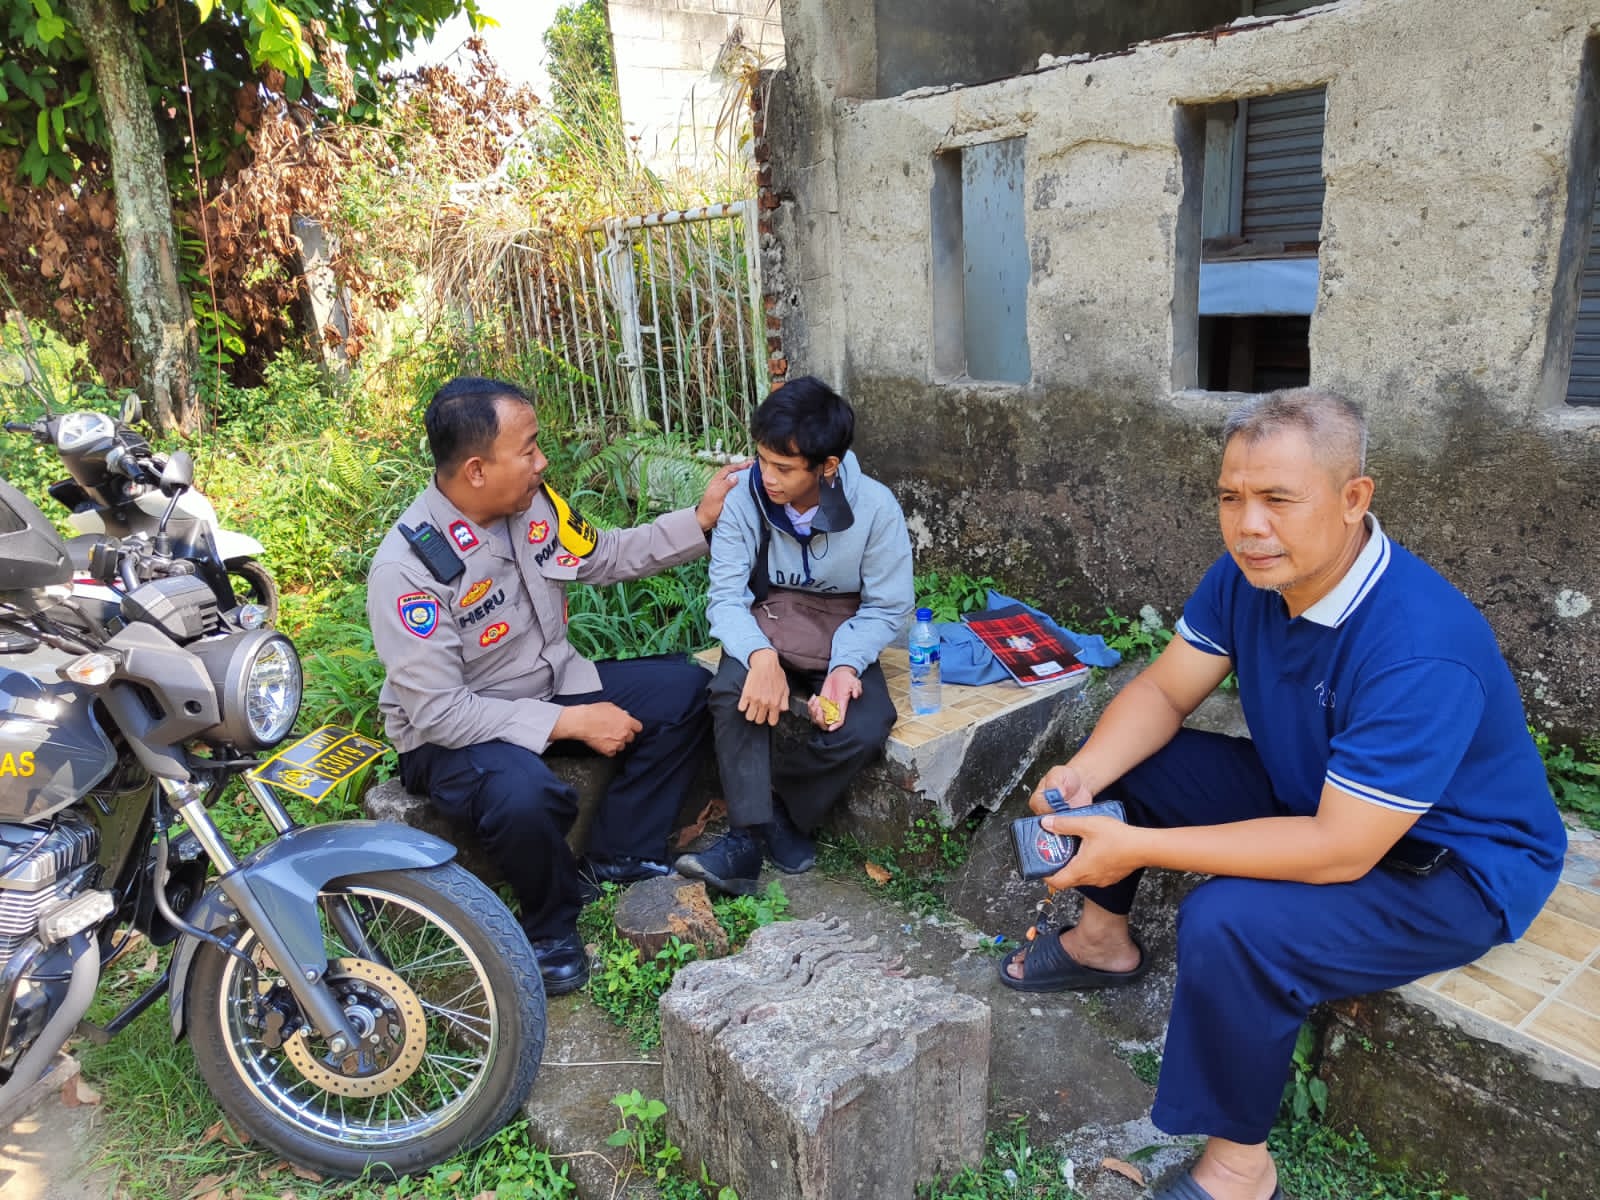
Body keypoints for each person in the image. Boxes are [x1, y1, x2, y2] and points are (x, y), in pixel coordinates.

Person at [998, 388, 1567, 1200]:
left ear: (1353, 498)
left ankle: (1239, 1168)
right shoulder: (1250, 577)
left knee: (1230, 923)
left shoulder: (1419, 646)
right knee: (1125, 765)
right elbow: (1163, 692)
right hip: (1320, 792)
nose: (1248, 525)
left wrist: (1140, 846)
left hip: (1448, 864)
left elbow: (1339, 850)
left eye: (1277, 499)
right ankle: (1100, 943)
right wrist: (1084, 777)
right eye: (1231, 498)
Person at [367, 376, 744, 996]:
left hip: (548, 685)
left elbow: (602, 554)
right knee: (524, 795)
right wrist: (570, 723)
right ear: (477, 469)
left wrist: (699, 520)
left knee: (683, 690)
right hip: (452, 734)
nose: (542, 462)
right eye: (529, 449)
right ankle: (548, 928)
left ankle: (619, 852)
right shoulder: (408, 570)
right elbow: (439, 712)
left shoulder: (531, 504)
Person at [675, 376, 914, 895]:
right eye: (762, 459)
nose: (768, 477)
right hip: (767, 623)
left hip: (843, 630)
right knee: (730, 691)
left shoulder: (876, 507)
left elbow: (888, 607)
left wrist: (846, 666)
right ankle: (744, 839)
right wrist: (760, 657)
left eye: (784, 468)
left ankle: (780, 810)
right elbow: (726, 598)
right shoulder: (743, 499)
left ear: (827, 466)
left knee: (866, 724)